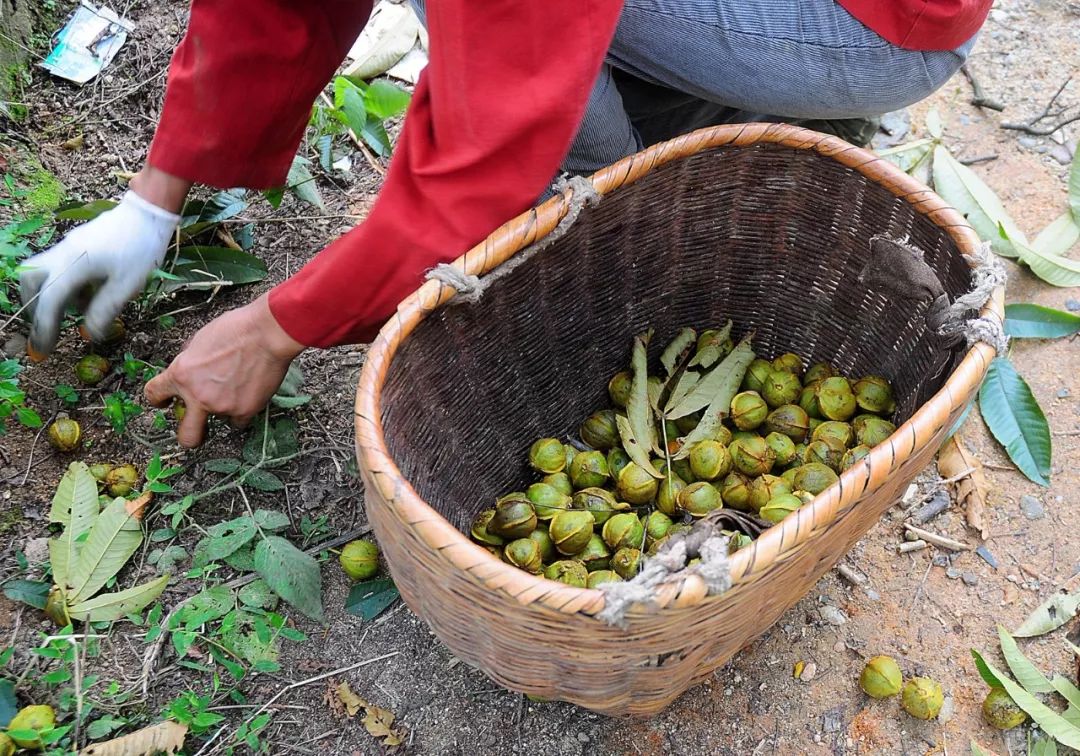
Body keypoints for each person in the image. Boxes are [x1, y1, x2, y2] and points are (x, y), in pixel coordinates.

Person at [20, 0, 990, 448]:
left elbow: (477, 164)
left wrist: (276, 329)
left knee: (509, 75)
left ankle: (626, 182)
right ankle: (674, 111)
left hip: (879, 22)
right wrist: (152, 198)